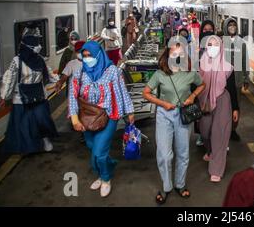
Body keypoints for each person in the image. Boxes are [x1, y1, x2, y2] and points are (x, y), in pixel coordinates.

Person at [68, 41, 135, 197]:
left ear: (98, 54)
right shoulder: (79, 72)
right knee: (93, 148)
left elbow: (122, 92)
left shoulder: (112, 71)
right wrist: (75, 120)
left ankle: (105, 178)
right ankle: (107, 167)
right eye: (84, 56)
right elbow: (72, 96)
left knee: (99, 153)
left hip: (109, 116)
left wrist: (130, 111)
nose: (86, 59)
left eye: (89, 55)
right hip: (87, 118)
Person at [142, 41, 205, 204]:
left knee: (183, 152)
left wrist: (192, 97)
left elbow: (202, 84)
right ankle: (166, 186)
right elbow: (146, 93)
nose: (177, 57)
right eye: (174, 54)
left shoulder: (190, 73)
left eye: (181, 54)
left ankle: (180, 184)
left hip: (183, 115)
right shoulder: (160, 74)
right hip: (164, 114)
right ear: (167, 56)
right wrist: (162, 104)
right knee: (164, 154)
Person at [0, 27, 59, 154]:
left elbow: (48, 73)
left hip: (39, 96)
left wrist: (58, 81)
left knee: (42, 121)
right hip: (22, 98)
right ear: (28, 46)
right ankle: (29, 147)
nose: (38, 46)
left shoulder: (40, 59)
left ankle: (46, 141)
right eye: (35, 44)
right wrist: (4, 96)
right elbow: (9, 78)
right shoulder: (17, 61)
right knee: (24, 125)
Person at [199, 35, 239, 182]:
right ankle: (210, 151)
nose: (213, 47)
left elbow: (232, 89)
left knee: (219, 133)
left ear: (221, 47)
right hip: (205, 100)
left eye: (216, 45)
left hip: (223, 99)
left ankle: (216, 169)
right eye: (210, 44)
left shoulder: (227, 66)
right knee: (204, 130)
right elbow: (195, 84)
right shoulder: (201, 63)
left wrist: (235, 108)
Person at [223, 17, 250, 142]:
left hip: (237, 80)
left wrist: (246, 78)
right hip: (224, 81)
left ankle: (233, 130)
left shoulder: (241, 42)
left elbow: (245, 61)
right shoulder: (222, 41)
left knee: (236, 107)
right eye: (230, 25)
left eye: (234, 24)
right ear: (226, 27)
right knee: (223, 107)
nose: (232, 27)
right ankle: (223, 128)